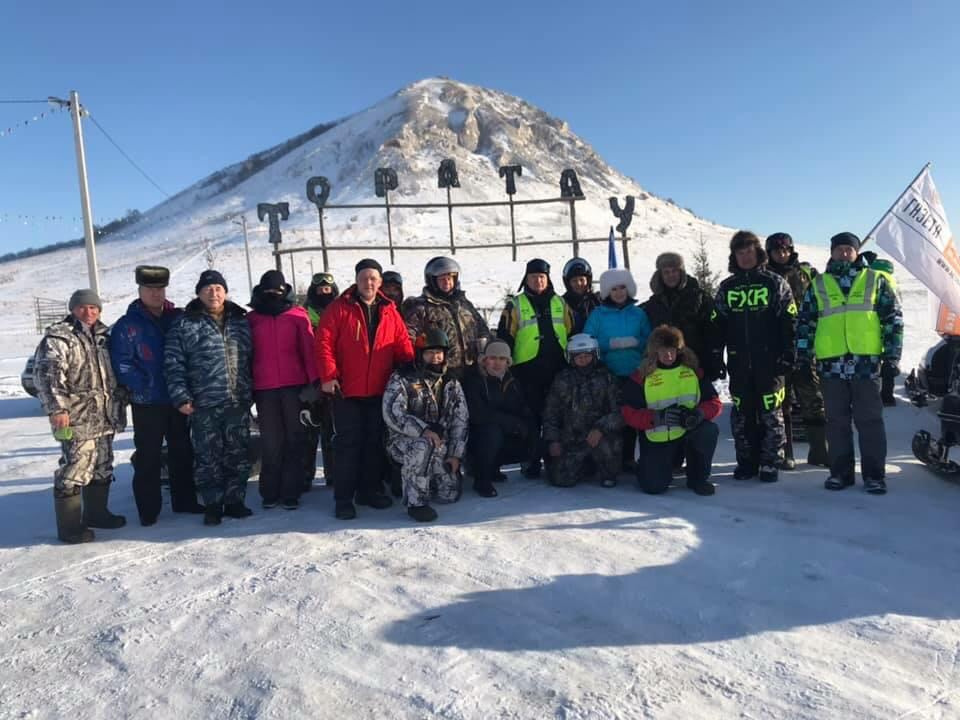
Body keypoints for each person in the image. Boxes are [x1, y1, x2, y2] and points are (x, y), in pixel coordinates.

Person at [796, 232, 903, 494]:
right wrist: (802, 356)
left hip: (865, 364)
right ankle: (840, 473)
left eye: (849, 249)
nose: (844, 253)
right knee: (836, 422)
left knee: (870, 421)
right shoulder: (819, 284)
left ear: (857, 252)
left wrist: (892, 356)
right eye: (840, 249)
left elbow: (893, 319)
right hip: (831, 366)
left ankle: (874, 476)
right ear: (831, 252)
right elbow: (805, 323)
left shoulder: (875, 280)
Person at [315, 258, 414, 520]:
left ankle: (369, 490)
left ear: (380, 282)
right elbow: (324, 342)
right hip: (346, 389)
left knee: (373, 442)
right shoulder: (339, 308)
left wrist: (410, 370)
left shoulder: (389, 310)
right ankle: (344, 498)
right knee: (348, 444)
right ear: (356, 280)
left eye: (373, 278)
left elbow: (401, 343)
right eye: (363, 278)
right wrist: (328, 375)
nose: (368, 282)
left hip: (380, 389)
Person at [110, 265, 203, 526]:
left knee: (182, 451)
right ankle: (148, 509)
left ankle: (184, 500)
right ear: (140, 290)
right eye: (150, 289)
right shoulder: (128, 325)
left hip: (178, 400)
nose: (156, 294)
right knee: (148, 456)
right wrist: (144, 385)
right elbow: (122, 363)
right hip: (148, 403)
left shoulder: (176, 317)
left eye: (160, 289)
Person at [34, 289, 128, 543]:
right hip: (76, 416)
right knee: (75, 468)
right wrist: (57, 408)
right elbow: (47, 375)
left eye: (94, 308)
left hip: (106, 415)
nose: (89, 312)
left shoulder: (104, 336)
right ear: (73, 309)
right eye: (83, 308)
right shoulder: (60, 337)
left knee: (102, 466)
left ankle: (97, 514)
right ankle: (70, 527)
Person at [165, 270, 254, 526]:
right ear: (198, 293)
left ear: (225, 292)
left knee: (237, 452)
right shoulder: (185, 323)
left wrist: (252, 390)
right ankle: (213, 503)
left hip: (237, 400)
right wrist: (181, 396)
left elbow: (252, 357)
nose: (213, 293)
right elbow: (173, 363)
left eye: (218, 288)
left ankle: (235, 501)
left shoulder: (240, 320)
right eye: (207, 289)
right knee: (207, 456)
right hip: (203, 403)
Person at [714, 230, 797, 483]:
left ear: (758, 253)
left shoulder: (774, 282)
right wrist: (716, 356)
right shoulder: (727, 287)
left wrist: (789, 353)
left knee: (772, 413)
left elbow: (790, 320)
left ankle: (771, 461)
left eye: (749, 252)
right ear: (734, 257)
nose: (746, 257)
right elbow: (717, 325)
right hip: (739, 362)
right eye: (740, 253)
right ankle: (747, 462)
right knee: (742, 414)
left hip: (770, 361)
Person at [621, 325, 722, 496]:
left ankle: (698, 478)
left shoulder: (693, 372)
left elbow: (714, 402)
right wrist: (657, 418)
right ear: (655, 351)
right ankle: (647, 466)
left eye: (672, 350)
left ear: (679, 350)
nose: (668, 355)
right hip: (657, 436)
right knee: (654, 487)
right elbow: (628, 412)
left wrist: (699, 413)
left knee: (708, 431)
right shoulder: (642, 376)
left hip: (688, 430)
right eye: (663, 350)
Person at [248, 270, 319, 510]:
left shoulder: (297, 316)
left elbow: (309, 351)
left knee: (294, 439)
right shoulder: (252, 319)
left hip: (293, 387)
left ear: (284, 290)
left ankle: (291, 490)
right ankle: (270, 490)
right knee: (271, 441)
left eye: (277, 291)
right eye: (268, 291)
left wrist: (313, 383)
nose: (273, 295)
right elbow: (246, 355)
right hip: (264, 388)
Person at [496, 258, 574, 478]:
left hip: (557, 369)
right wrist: (503, 367)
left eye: (542, 277)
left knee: (556, 416)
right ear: (526, 278)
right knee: (531, 417)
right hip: (526, 371)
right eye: (533, 277)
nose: (538, 281)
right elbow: (505, 336)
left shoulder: (560, 302)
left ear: (548, 279)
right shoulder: (515, 305)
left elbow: (572, 331)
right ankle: (530, 460)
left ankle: (554, 458)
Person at [382, 329, 469, 521]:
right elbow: (392, 412)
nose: (436, 357)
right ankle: (416, 502)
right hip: (404, 440)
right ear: (421, 354)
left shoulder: (451, 381)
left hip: (440, 444)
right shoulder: (403, 377)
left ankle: (420, 478)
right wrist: (422, 429)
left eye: (439, 352)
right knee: (423, 446)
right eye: (430, 352)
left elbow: (460, 420)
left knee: (449, 494)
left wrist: (455, 454)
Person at [765, 232, 829, 468]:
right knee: (782, 403)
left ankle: (820, 451)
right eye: (776, 251)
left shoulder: (807, 273)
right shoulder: (766, 276)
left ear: (791, 250)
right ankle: (786, 452)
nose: (782, 254)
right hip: (776, 347)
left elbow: (824, 298)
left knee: (813, 398)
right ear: (769, 252)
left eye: (785, 250)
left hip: (805, 345)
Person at [583, 267, 652, 471]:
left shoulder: (638, 313)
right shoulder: (598, 314)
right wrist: (610, 343)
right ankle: (608, 460)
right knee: (609, 417)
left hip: (634, 374)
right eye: (614, 289)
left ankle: (629, 458)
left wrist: (635, 342)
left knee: (633, 416)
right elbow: (588, 341)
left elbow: (649, 340)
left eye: (622, 287)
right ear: (607, 291)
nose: (619, 292)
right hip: (607, 374)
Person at [542, 334, 623, 488]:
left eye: (587, 356)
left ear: (595, 355)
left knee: (610, 457)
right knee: (560, 479)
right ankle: (584, 466)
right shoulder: (562, 379)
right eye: (578, 357)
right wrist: (553, 440)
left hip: (600, 437)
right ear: (570, 358)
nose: (583, 359)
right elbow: (550, 412)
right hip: (572, 439)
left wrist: (600, 428)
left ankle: (606, 470)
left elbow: (619, 412)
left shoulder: (607, 378)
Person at [461, 340, 536, 497]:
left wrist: (526, 425)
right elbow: (478, 414)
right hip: (476, 436)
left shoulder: (512, 380)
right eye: (493, 358)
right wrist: (512, 422)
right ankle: (481, 479)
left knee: (531, 429)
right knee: (491, 432)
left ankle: (502, 467)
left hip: (504, 430)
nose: (497, 363)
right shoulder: (474, 379)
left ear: (508, 362)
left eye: (502, 359)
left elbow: (520, 406)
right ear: (485, 360)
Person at [402, 256, 491, 379]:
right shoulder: (422, 307)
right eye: (442, 279)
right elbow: (409, 338)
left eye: (449, 278)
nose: (447, 283)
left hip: (472, 368)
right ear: (432, 281)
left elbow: (482, 329)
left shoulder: (464, 304)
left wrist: (485, 352)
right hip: (441, 371)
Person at [641, 252, 722, 381]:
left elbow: (713, 330)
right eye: (666, 272)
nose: (670, 276)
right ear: (660, 276)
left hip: (696, 363)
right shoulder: (652, 304)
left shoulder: (700, 298)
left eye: (674, 271)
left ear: (681, 272)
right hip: (664, 366)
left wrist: (713, 359)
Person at [302, 272, 339, 488]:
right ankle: (305, 474)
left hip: (332, 376)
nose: (324, 293)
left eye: (327, 290)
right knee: (307, 430)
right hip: (309, 378)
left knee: (331, 428)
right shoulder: (304, 313)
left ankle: (332, 473)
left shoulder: (339, 311)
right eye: (320, 290)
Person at [860, 250, 901, 406]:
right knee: (889, 359)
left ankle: (875, 394)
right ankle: (887, 396)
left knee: (876, 359)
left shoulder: (877, 278)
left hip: (876, 322)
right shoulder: (891, 278)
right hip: (890, 321)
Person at [561, 257, 600, 334]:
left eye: (582, 280)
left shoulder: (597, 300)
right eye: (574, 281)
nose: (578, 284)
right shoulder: (562, 303)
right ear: (568, 283)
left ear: (588, 280)